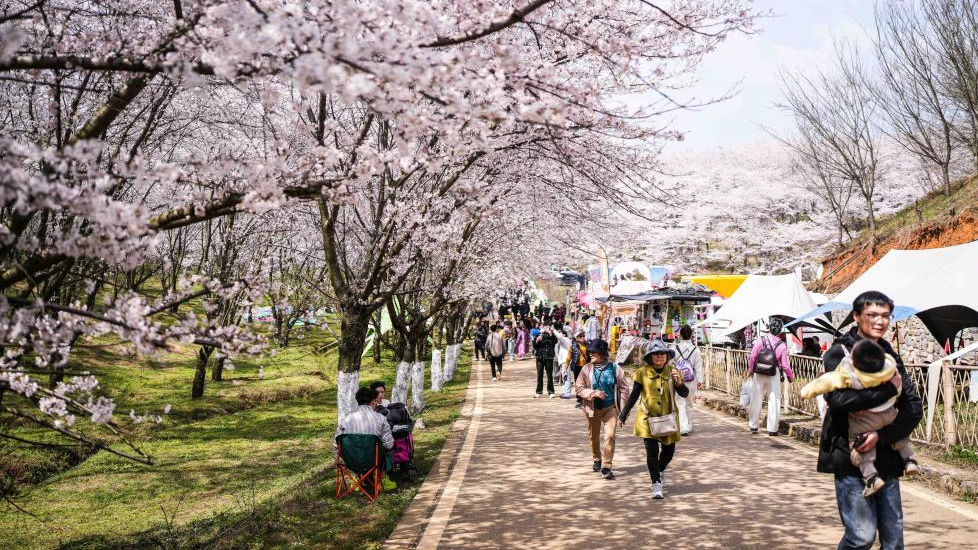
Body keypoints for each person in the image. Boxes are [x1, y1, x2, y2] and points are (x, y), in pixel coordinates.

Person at [818, 291, 922, 549]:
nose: (880, 321)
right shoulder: (838, 353)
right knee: (861, 537)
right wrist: (887, 391)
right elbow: (839, 401)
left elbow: (913, 406)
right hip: (851, 456)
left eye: (886, 315)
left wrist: (882, 436)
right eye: (872, 315)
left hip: (888, 455)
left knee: (893, 539)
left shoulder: (890, 355)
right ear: (856, 316)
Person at [801, 339, 920, 497]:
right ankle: (910, 459)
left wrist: (807, 391)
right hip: (888, 412)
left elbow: (828, 387)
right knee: (900, 435)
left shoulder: (846, 368)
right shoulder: (885, 364)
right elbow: (901, 389)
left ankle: (871, 477)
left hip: (864, 419)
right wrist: (892, 390)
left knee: (858, 444)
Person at [619, 339, 688, 499]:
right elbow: (634, 395)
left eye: (662, 353)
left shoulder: (673, 372)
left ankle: (660, 470)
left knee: (669, 452)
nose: (659, 356)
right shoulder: (642, 373)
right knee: (651, 452)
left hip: (668, 418)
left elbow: (684, 394)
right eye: (655, 353)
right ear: (650, 357)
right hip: (647, 419)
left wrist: (678, 383)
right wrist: (624, 414)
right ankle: (656, 483)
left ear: (667, 356)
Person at [574, 339, 631, 480]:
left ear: (602, 353)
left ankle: (606, 466)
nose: (590, 354)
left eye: (594, 352)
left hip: (611, 408)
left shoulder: (614, 368)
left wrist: (623, 413)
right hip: (592, 408)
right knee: (593, 436)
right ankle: (596, 459)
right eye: (590, 352)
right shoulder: (586, 369)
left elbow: (625, 389)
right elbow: (579, 388)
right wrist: (593, 393)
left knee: (610, 436)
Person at [746, 317, 795, 435]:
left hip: (759, 372)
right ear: (780, 331)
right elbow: (785, 365)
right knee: (774, 400)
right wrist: (790, 376)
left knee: (756, 398)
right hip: (774, 373)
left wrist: (750, 370)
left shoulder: (760, 340)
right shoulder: (782, 345)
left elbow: (752, 357)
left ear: (769, 328)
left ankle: (753, 425)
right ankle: (772, 429)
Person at [672, 324, 704, 435]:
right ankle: (689, 426)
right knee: (690, 403)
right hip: (691, 380)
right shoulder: (696, 350)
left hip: (678, 379)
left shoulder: (675, 348)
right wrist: (700, 381)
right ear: (691, 335)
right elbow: (698, 367)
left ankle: (683, 427)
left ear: (680, 335)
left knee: (680, 403)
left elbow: (671, 364)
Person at [563, 330, 588, 404]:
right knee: (578, 384)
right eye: (580, 336)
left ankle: (585, 398)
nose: (583, 337)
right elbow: (568, 359)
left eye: (583, 336)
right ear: (576, 338)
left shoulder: (587, 345)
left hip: (586, 367)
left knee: (586, 383)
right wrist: (565, 369)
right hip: (577, 367)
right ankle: (579, 400)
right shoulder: (573, 347)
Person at [533, 324, 559, 398]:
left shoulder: (551, 335)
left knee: (549, 375)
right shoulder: (539, 334)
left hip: (549, 357)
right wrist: (537, 341)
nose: (546, 328)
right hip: (540, 357)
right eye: (544, 327)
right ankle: (538, 391)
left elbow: (555, 342)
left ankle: (551, 392)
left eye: (547, 327)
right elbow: (535, 346)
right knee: (539, 374)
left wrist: (551, 334)